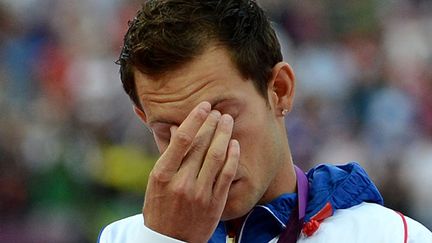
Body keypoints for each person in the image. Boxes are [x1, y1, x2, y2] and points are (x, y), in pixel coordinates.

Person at [98, 0, 432, 242]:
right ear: (143, 119)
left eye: (222, 117)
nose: (206, 153)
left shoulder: (390, 237)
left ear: (280, 91)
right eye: (171, 132)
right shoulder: (123, 237)